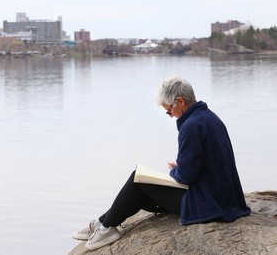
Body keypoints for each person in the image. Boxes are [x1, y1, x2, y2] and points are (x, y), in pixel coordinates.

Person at [72, 76, 251, 251]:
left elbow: (186, 175)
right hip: (223, 196)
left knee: (138, 181)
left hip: (209, 203)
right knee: (141, 189)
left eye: (168, 110)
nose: (170, 115)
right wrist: (182, 167)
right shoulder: (208, 117)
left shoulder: (191, 126)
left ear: (179, 101)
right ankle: (104, 222)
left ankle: (106, 227)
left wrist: (176, 171)